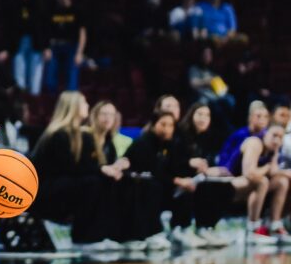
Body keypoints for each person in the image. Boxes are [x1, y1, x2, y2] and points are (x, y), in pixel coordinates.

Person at [29, 92, 122, 250]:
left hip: (61, 183)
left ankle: (102, 234)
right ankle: (84, 238)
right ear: (73, 107)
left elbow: (81, 166)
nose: (87, 106)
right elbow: (68, 168)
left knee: (101, 181)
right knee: (92, 183)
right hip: (46, 189)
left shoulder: (77, 134)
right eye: (84, 103)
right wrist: (101, 169)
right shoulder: (59, 134)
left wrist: (107, 169)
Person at [169, 102, 240, 248]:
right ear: (191, 116)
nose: (203, 118)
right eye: (200, 114)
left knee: (226, 187)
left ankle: (206, 227)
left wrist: (213, 170)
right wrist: (189, 163)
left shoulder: (208, 139)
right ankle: (180, 229)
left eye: (207, 115)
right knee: (191, 187)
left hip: (198, 179)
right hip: (176, 180)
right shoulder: (179, 135)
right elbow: (171, 162)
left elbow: (207, 164)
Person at [120, 113, 179, 250]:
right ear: (153, 125)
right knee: (153, 187)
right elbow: (150, 171)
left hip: (154, 183)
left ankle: (179, 229)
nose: (166, 129)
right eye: (163, 124)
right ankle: (148, 234)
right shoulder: (143, 142)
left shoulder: (168, 145)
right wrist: (175, 180)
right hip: (133, 183)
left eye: (170, 125)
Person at [230, 123, 290, 246]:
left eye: (280, 137)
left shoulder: (273, 150)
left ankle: (274, 225)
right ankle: (253, 228)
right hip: (231, 183)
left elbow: (274, 172)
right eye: (274, 135)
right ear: (265, 133)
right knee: (261, 181)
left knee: (282, 182)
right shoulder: (255, 143)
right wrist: (267, 167)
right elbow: (249, 173)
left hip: (249, 186)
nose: (276, 140)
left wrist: (284, 171)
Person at [0, 0, 44, 95]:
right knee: (19, 66)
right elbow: (9, 27)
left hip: (36, 41)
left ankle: (34, 94)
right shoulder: (13, 4)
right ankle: (20, 92)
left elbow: (44, 26)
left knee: (35, 69)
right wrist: (7, 48)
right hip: (19, 41)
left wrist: (46, 46)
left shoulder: (39, 3)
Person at [43, 0, 86, 93]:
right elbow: (46, 32)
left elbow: (82, 33)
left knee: (72, 79)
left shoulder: (77, 11)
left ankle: (70, 101)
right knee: (49, 79)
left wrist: (79, 53)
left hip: (72, 46)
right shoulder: (52, 10)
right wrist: (46, 48)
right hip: (54, 46)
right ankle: (52, 100)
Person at [218, 100, 270, 172]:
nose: (263, 119)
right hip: (229, 168)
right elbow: (232, 160)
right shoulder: (241, 135)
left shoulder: (267, 135)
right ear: (250, 117)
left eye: (266, 116)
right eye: (258, 116)